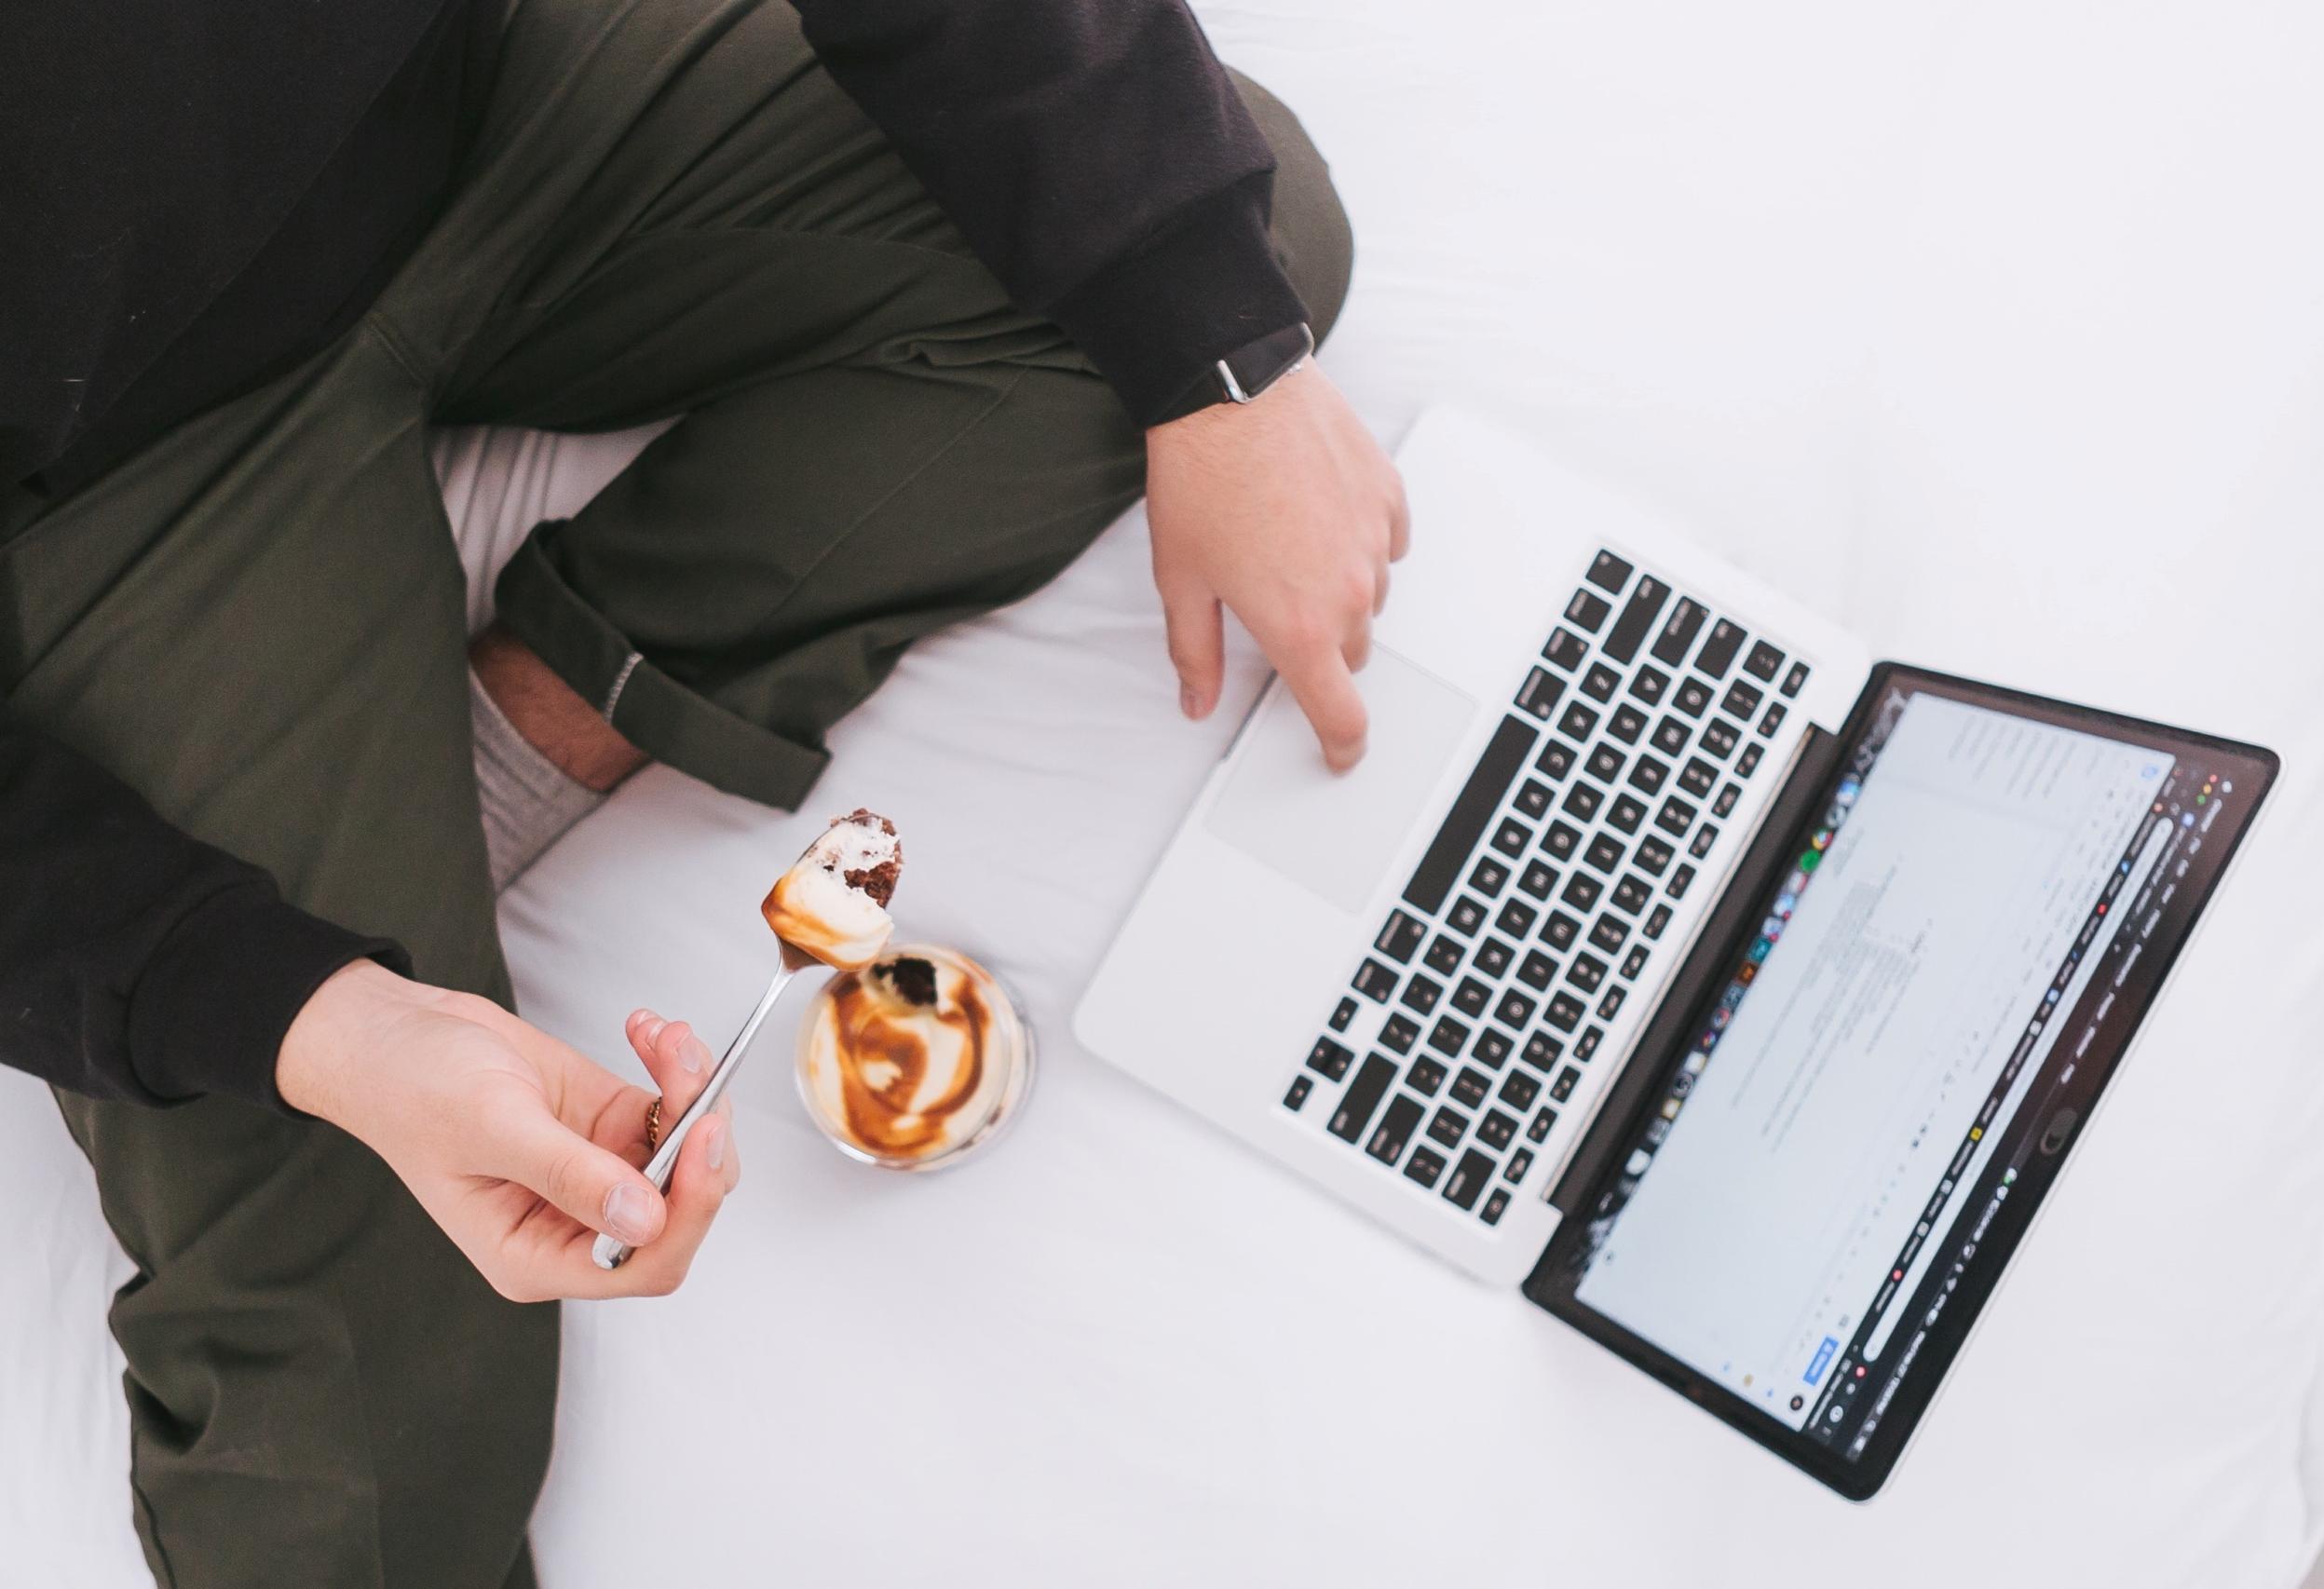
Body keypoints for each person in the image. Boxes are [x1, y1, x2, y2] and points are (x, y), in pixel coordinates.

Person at [0, 0, 1405, 1583]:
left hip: (470, 95)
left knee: (1225, 248)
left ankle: (514, 736)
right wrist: (302, 1011)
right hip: (114, 490)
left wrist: (1217, 357)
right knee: (367, 1477)